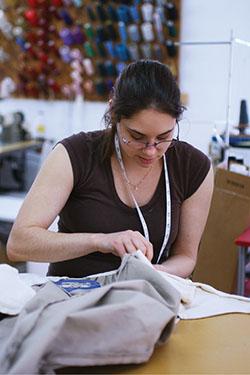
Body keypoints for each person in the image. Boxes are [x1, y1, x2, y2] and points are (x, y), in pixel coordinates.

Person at [7, 59, 214, 278]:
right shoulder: (75, 155)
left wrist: (157, 273)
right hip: (72, 297)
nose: (151, 151)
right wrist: (99, 240)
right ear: (114, 113)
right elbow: (19, 243)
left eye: (164, 137)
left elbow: (186, 257)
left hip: (145, 296)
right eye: (136, 136)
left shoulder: (193, 168)